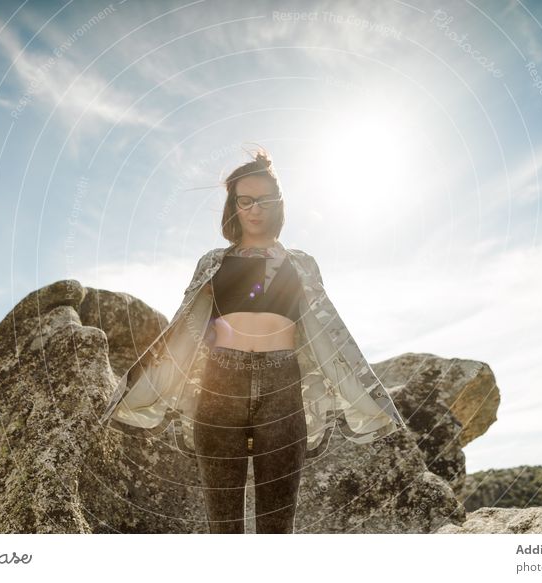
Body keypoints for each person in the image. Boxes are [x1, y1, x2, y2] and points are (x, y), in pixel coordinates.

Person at [99, 148, 408, 534]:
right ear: (234, 206)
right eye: (245, 200)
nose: (254, 209)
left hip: (283, 385)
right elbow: (186, 331)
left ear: (277, 205)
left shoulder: (301, 263)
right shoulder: (213, 261)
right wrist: (140, 387)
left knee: (277, 528)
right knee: (224, 526)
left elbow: (327, 334)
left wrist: (366, 399)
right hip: (220, 385)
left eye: (263, 200)